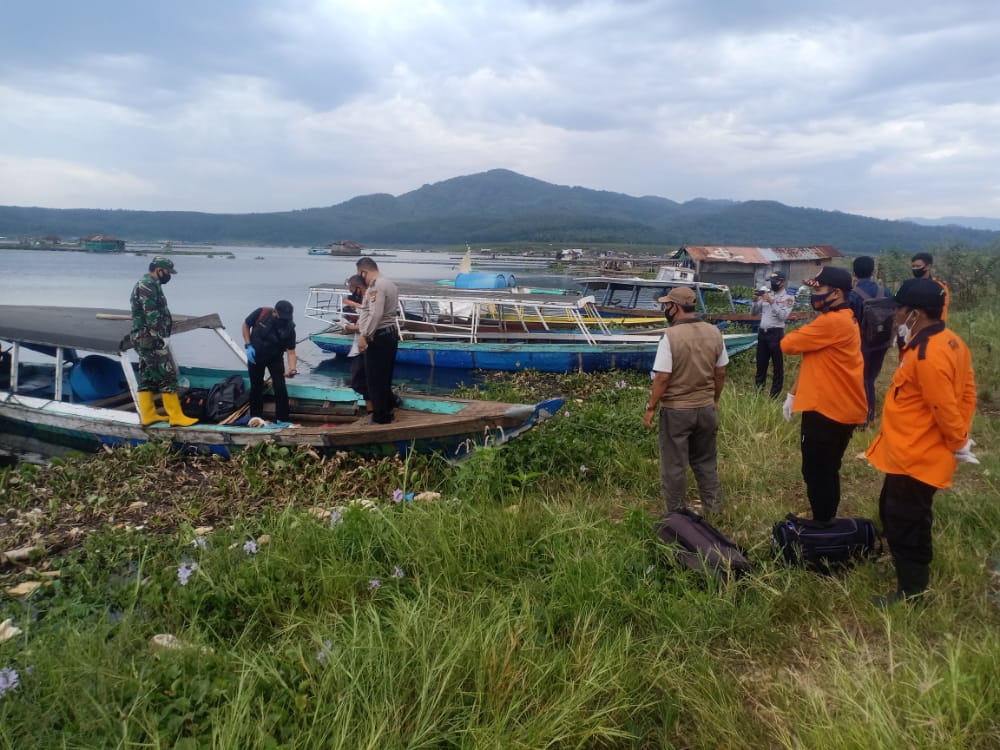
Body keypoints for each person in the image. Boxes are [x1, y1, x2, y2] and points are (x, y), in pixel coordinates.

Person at [866, 278, 976, 606]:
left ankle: (912, 592)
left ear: (916, 313)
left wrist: (958, 441)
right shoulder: (948, 341)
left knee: (906, 520)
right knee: (893, 510)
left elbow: (944, 404)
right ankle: (907, 571)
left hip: (918, 456)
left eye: (901, 309)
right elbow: (967, 390)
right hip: (908, 450)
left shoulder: (928, 354)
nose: (896, 314)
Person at [780, 265, 867, 522]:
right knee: (827, 468)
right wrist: (793, 393)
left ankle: (823, 525)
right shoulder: (847, 317)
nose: (814, 294)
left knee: (817, 471)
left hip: (827, 410)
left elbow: (788, 344)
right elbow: (815, 360)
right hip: (841, 407)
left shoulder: (831, 322)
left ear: (837, 293)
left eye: (819, 289)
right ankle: (823, 514)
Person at [643, 286, 729, 514]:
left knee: (674, 465)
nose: (665, 309)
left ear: (676, 307)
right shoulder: (714, 332)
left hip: (676, 411)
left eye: (667, 305)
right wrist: (715, 399)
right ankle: (714, 509)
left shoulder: (670, 336)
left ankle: (677, 516)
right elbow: (720, 372)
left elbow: (662, 377)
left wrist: (651, 407)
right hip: (706, 408)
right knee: (706, 462)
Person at [130, 256, 197, 426]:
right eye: (167, 272)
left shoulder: (153, 284)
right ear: (158, 269)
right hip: (150, 339)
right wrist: (160, 337)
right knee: (168, 375)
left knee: (147, 378)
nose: (169, 276)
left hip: (145, 339)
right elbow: (151, 314)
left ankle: (148, 415)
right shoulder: (147, 285)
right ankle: (176, 416)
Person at [848, 256, 895, 425]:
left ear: (854, 272)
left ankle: (864, 417)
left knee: (862, 379)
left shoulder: (852, 295)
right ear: (873, 271)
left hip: (863, 343)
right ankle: (869, 414)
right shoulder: (885, 291)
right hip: (882, 342)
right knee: (870, 378)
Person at [355, 257, 400, 424]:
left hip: (379, 336)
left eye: (361, 275)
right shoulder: (389, 283)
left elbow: (376, 313)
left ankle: (381, 416)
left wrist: (364, 335)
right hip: (390, 334)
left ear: (363, 271)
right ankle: (389, 407)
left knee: (374, 379)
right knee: (384, 375)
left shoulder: (377, 286)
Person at [242, 300, 298, 423]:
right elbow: (246, 325)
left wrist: (292, 369)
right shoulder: (261, 313)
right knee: (256, 386)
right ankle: (256, 417)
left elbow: (291, 351)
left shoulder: (289, 328)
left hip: (275, 358)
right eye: (281, 317)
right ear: (274, 312)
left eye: (287, 318)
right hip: (255, 356)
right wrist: (248, 345)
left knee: (280, 387)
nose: (284, 320)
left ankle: (282, 419)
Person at [751, 269, 794, 399]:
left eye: (775, 281)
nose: (773, 284)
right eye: (772, 281)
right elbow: (754, 313)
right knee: (761, 365)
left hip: (775, 334)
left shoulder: (788, 298)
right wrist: (755, 301)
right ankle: (758, 394)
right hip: (762, 334)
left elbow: (783, 316)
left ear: (782, 282)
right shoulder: (767, 294)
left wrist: (771, 302)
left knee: (777, 367)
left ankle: (774, 396)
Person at [909, 252, 950, 321]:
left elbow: (943, 310)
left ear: (928, 266)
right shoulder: (909, 285)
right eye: (913, 266)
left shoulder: (939, 286)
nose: (915, 269)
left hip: (933, 325)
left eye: (918, 266)